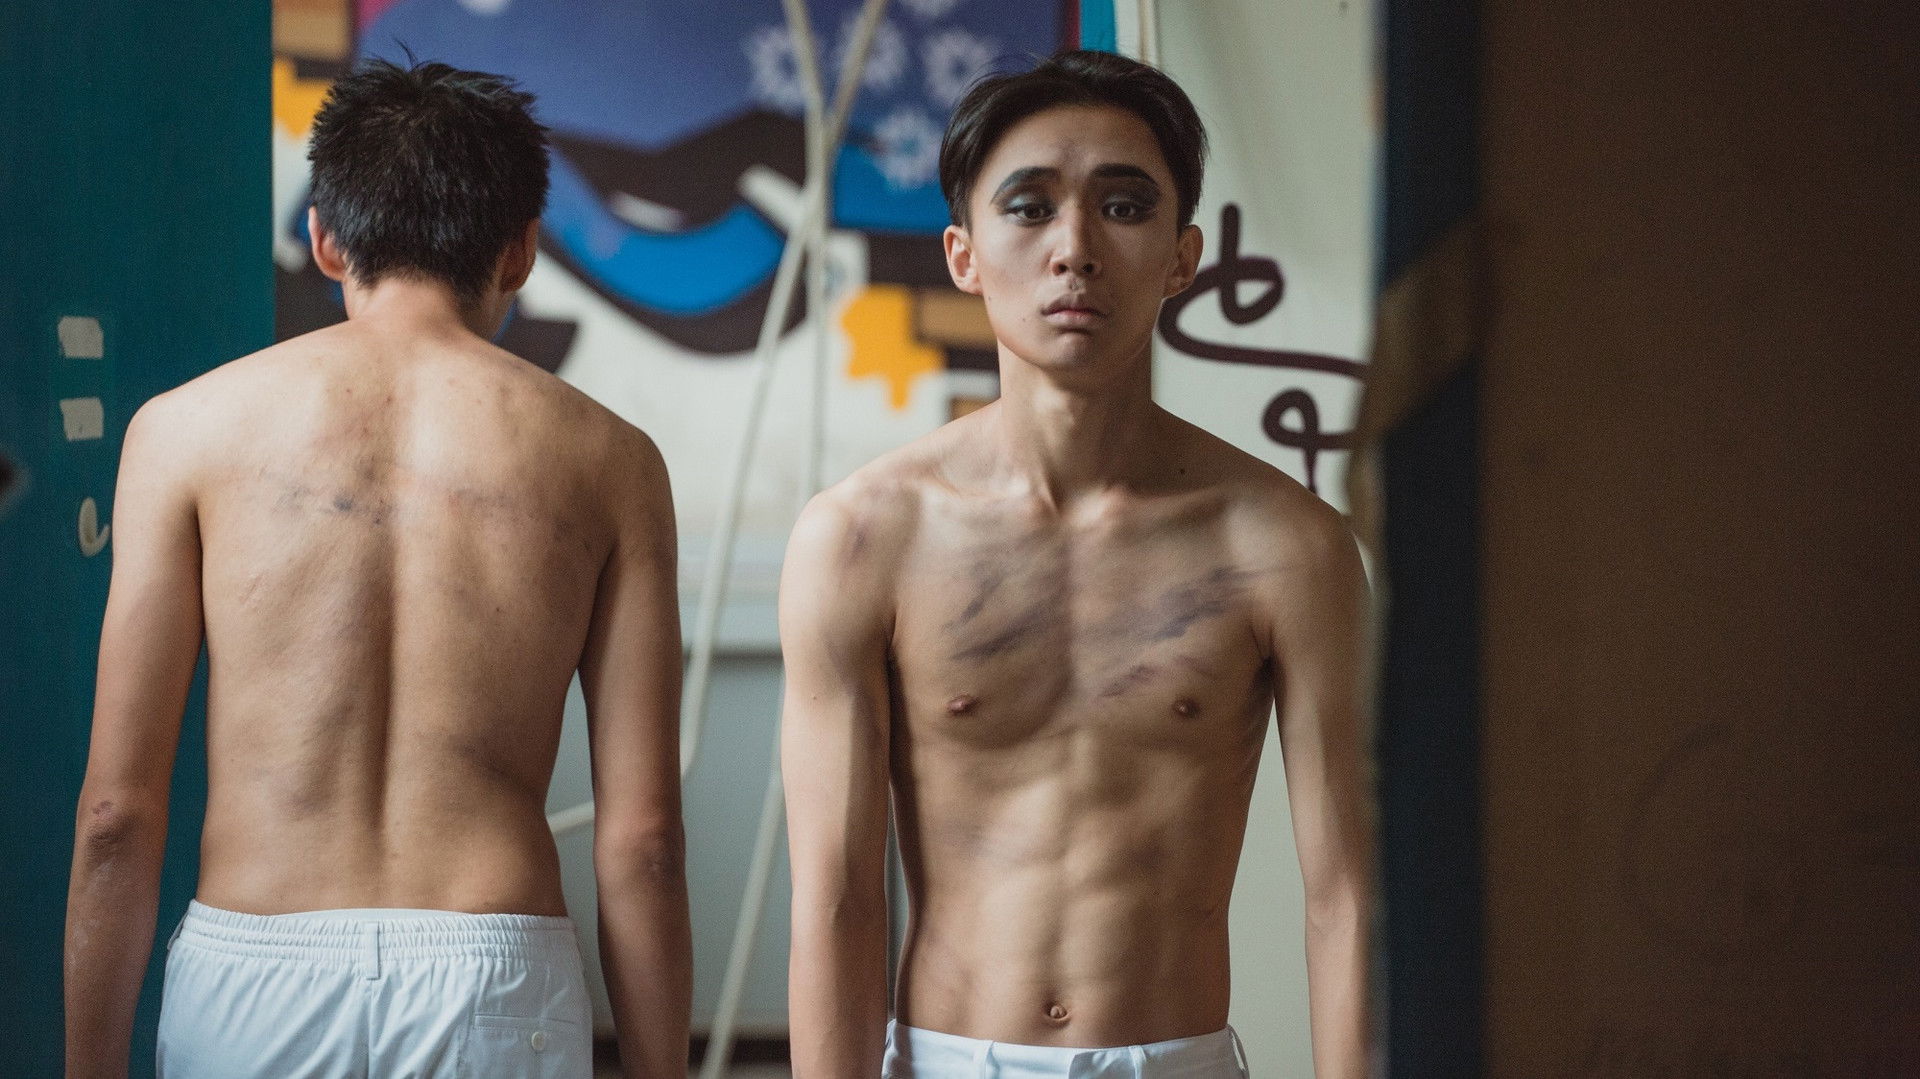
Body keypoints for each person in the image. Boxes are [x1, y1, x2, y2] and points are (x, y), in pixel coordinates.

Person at [63, 58, 690, 1079]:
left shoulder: (181, 432)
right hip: (495, 981)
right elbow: (645, 840)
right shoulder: (613, 461)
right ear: (521, 250)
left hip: (253, 976)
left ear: (324, 238)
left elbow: (114, 816)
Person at [781, 50, 1374, 1078]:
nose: (1075, 250)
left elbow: (1349, 896)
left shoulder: (1285, 546)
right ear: (964, 254)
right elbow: (837, 900)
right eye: (1029, 207)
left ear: (1182, 257)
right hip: (948, 1057)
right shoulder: (865, 537)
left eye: (1124, 206)